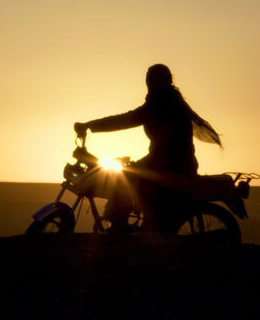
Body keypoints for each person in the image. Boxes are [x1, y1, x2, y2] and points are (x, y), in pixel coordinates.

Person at [74, 63, 221, 230]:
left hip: (170, 166)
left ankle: (122, 225)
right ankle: (138, 221)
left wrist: (89, 125)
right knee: (129, 173)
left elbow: (125, 120)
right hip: (167, 163)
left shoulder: (161, 104)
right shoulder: (170, 100)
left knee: (123, 178)